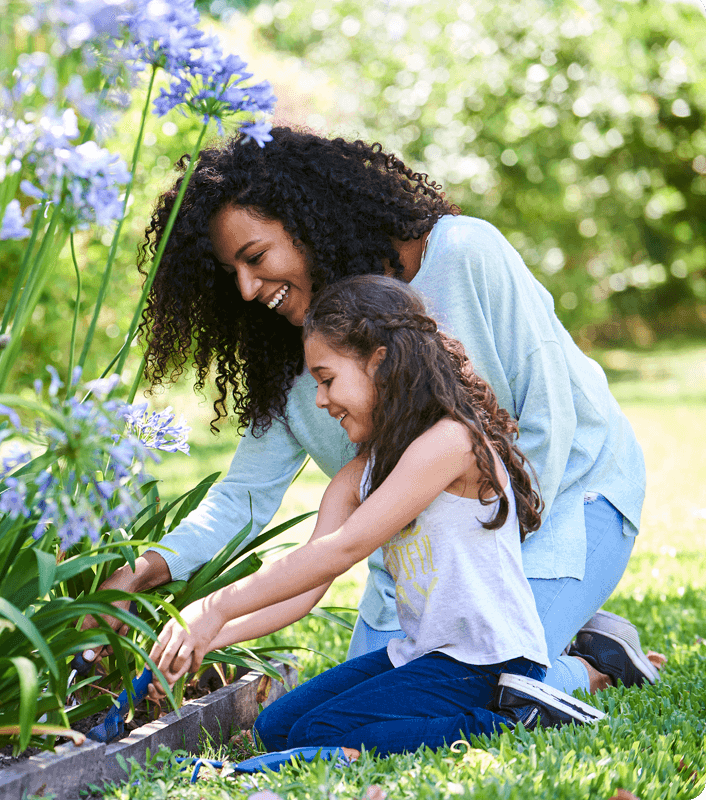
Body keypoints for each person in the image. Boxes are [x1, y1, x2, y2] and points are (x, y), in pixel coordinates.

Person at [86, 126, 661, 699]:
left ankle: (588, 665)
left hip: (567, 502)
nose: (244, 288)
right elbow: (242, 498)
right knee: (365, 697)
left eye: (255, 257)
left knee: (479, 685)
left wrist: (490, 583)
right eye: (229, 272)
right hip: (428, 561)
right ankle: (572, 635)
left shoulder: (462, 254)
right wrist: (147, 568)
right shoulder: (298, 364)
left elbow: (550, 419)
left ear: (308, 221)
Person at [148, 276, 602, 760]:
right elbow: (308, 581)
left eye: (327, 379)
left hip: (488, 662)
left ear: (379, 362)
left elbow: (342, 549)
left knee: (317, 733)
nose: (320, 399)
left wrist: (215, 606)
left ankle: (518, 720)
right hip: (425, 655)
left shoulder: (451, 443)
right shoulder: (359, 473)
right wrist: (208, 639)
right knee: (277, 727)